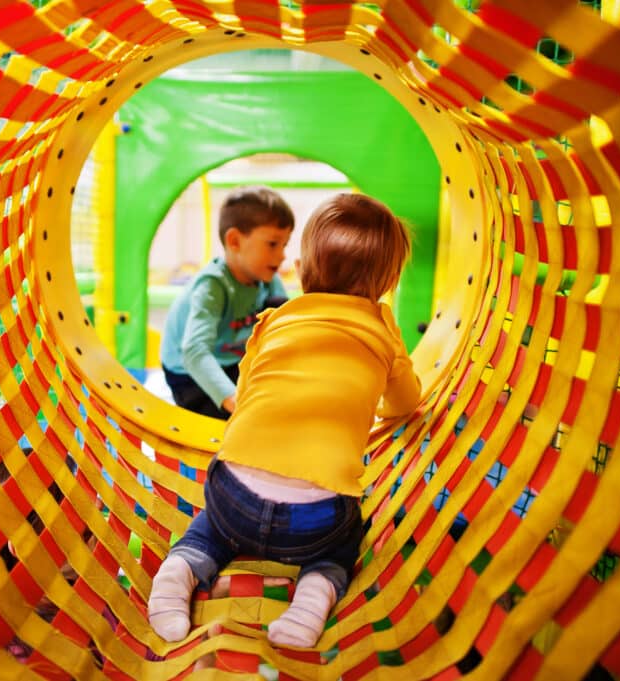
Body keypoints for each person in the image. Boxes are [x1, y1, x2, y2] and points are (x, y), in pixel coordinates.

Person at [147, 193, 422, 648]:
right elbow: (405, 404)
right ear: (388, 280)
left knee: (211, 526)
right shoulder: (383, 328)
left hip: (233, 496)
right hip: (316, 521)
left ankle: (181, 570)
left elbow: (252, 390)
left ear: (304, 265)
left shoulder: (274, 318)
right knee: (346, 535)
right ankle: (315, 592)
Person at [160, 186, 294, 419]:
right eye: (273, 244)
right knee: (240, 422)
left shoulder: (268, 280)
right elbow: (194, 352)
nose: (282, 255)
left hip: (231, 361)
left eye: (284, 245)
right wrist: (235, 401)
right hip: (189, 375)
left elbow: (287, 332)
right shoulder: (213, 286)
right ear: (234, 241)